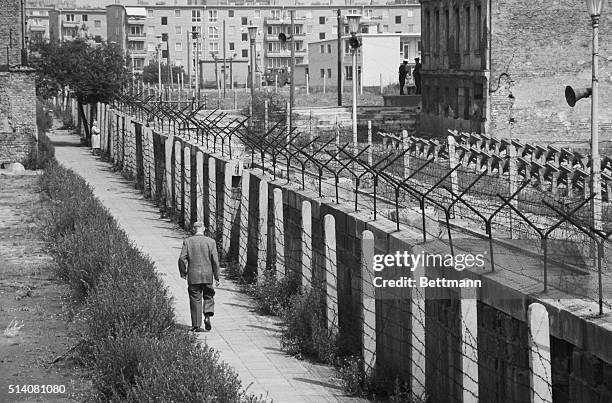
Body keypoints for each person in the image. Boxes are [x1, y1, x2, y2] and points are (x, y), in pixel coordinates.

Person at [179, 221, 220, 332]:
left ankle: (196, 325)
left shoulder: (188, 241)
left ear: (194, 229)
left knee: (195, 298)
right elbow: (215, 261)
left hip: (193, 276)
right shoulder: (211, 242)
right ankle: (207, 315)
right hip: (207, 275)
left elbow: (182, 258)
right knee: (209, 295)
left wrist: (183, 272)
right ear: (204, 229)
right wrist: (217, 276)